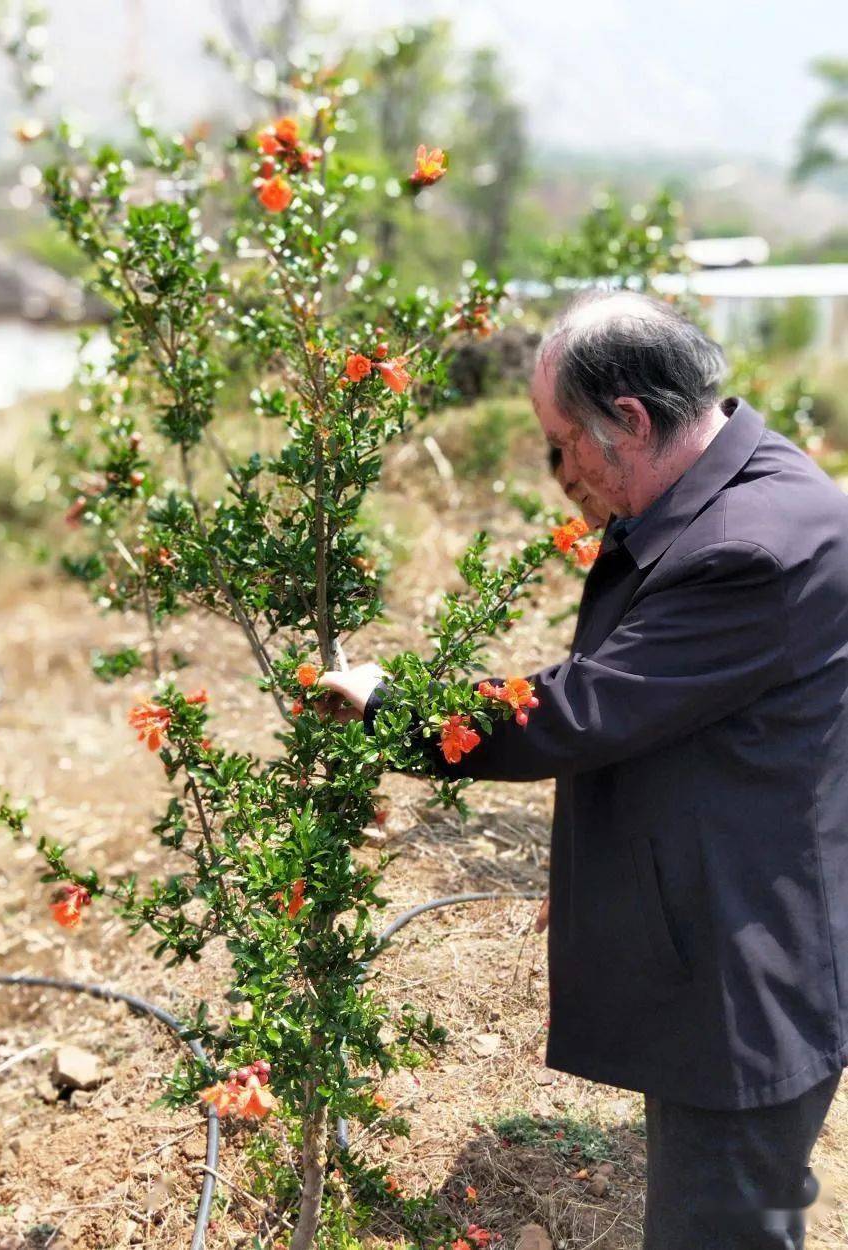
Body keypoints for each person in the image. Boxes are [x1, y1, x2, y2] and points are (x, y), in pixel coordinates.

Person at [319, 290, 848, 1249]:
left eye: (561, 444)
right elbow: (684, 721)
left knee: (720, 1226)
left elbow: (582, 709)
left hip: (746, 970)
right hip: (730, 905)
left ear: (632, 420)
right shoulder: (734, 493)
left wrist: (398, 708)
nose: (558, 473)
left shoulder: (749, 546)